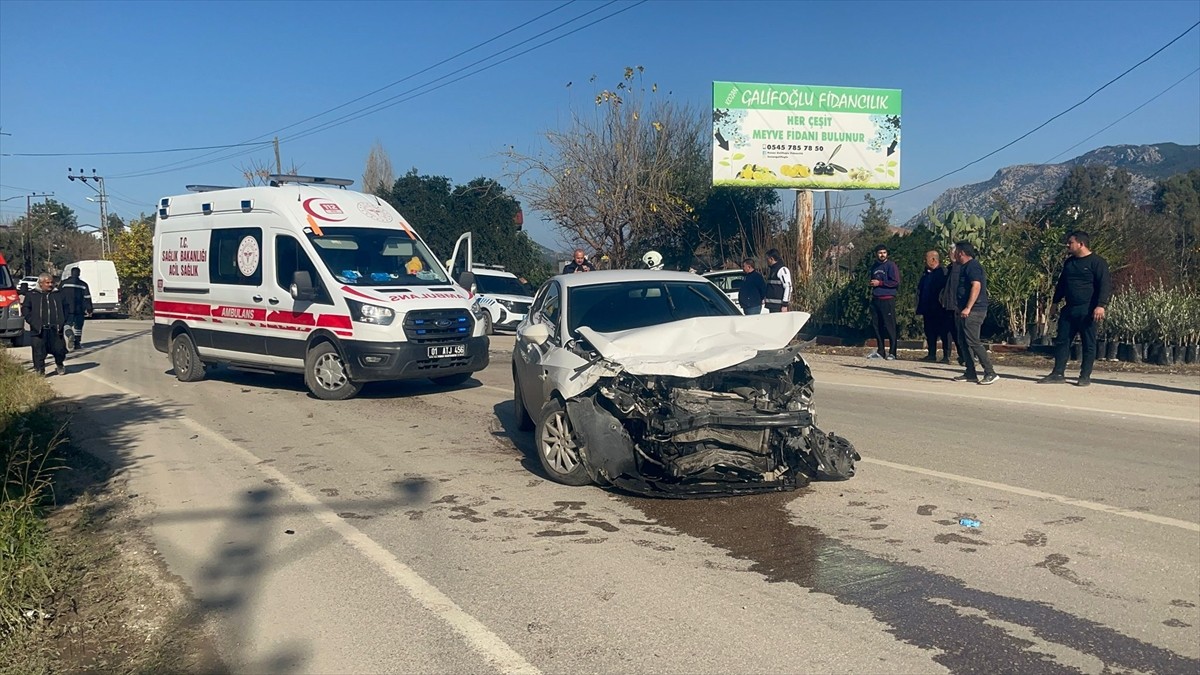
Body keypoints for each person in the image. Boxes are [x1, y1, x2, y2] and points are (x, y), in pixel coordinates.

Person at [1037, 230, 1112, 387]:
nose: (1067, 245)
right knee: (1062, 341)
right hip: (1069, 308)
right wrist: (1055, 303)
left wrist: (1101, 305)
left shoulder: (1097, 262)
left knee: (1088, 344)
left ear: (1081, 244)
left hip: (1088, 310)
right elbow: (1062, 284)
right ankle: (1058, 373)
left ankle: (1084, 376)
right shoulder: (1069, 263)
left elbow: (1105, 285)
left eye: (1070, 242)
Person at [952, 242, 999, 385]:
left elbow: (976, 286)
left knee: (973, 341)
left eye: (956, 252)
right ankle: (970, 372)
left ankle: (990, 372)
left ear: (961, 253)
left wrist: (968, 307)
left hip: (974, 310)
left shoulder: (973, 266)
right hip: (964, 310)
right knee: (963, 341)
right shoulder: (963, 267)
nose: (954, 255)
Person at [21, 273, 68, 376]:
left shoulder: (59, 294)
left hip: (55, 329)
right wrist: (31, 320)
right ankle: (40, 371)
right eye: (47, 282)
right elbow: (25, 308)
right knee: (38, 351)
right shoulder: (32, 294)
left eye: (52, 282)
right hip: (38, 329)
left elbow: (66, 308)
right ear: (41, 283)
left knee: (60, 350)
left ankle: (59, 364)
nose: (50, 284)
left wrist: (63, 320)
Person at [916, 249, 952, 363]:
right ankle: (931, 354)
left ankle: (946, 355)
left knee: (944, 332)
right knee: (930, 332)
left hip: (940, 308)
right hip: (928, 308)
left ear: (933, 259)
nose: (924, 261)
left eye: (926, 259)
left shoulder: (942, 272)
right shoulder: (926, 274)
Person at [867, 243, 901, 360]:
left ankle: (893, 352)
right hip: (876, 299)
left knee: (890, 326)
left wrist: (880, 283)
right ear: (876, 254)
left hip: (888, 300)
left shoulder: (891, 266)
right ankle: (881, 351)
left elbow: (895, 282)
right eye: (880, 253)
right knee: (877, 326)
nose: (882, 255)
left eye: (884, 252)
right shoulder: (874, 267)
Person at [59, 267, 93, 350]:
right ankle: (77, 343)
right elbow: (87, 297)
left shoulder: (63, 283)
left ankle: (69, 334)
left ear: (71, 273)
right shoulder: (83, 284)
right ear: (79, 274)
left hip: (66, 309)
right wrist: (89, 309)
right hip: (79, 309)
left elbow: (58, 295)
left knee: (67, 325)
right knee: (78, 327)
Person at [764, 248, 791, 313]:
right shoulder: (772, 270)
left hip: (779, 306)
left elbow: (788, 287)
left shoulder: (782, 270)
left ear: (772, 259)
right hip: (772, 306)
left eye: (767, 259)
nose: (766, 261)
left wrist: (785, 304)